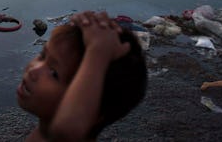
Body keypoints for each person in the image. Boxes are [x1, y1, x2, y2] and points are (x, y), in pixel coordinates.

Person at [18, 11, 147, 142]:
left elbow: (66, 131)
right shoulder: (44, 132)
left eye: (54, 74)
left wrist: (98, 52)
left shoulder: (65, 136)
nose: (34, 70)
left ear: (93, 114)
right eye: (42, 55)